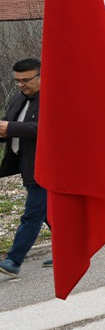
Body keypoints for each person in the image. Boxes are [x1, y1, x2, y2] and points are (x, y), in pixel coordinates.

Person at [0, 58, 46, 277]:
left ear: (41, 76)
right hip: (26, 166)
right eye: (18, 81)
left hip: (46, 168)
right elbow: (10, 123)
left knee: (33, 214)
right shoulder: (20, 98)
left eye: (26, 80)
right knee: (48, 212)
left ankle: (13, 260)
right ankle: (74, 251)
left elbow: (46, 128)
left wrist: (11, 128)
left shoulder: (53, 97)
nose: (21, 85)